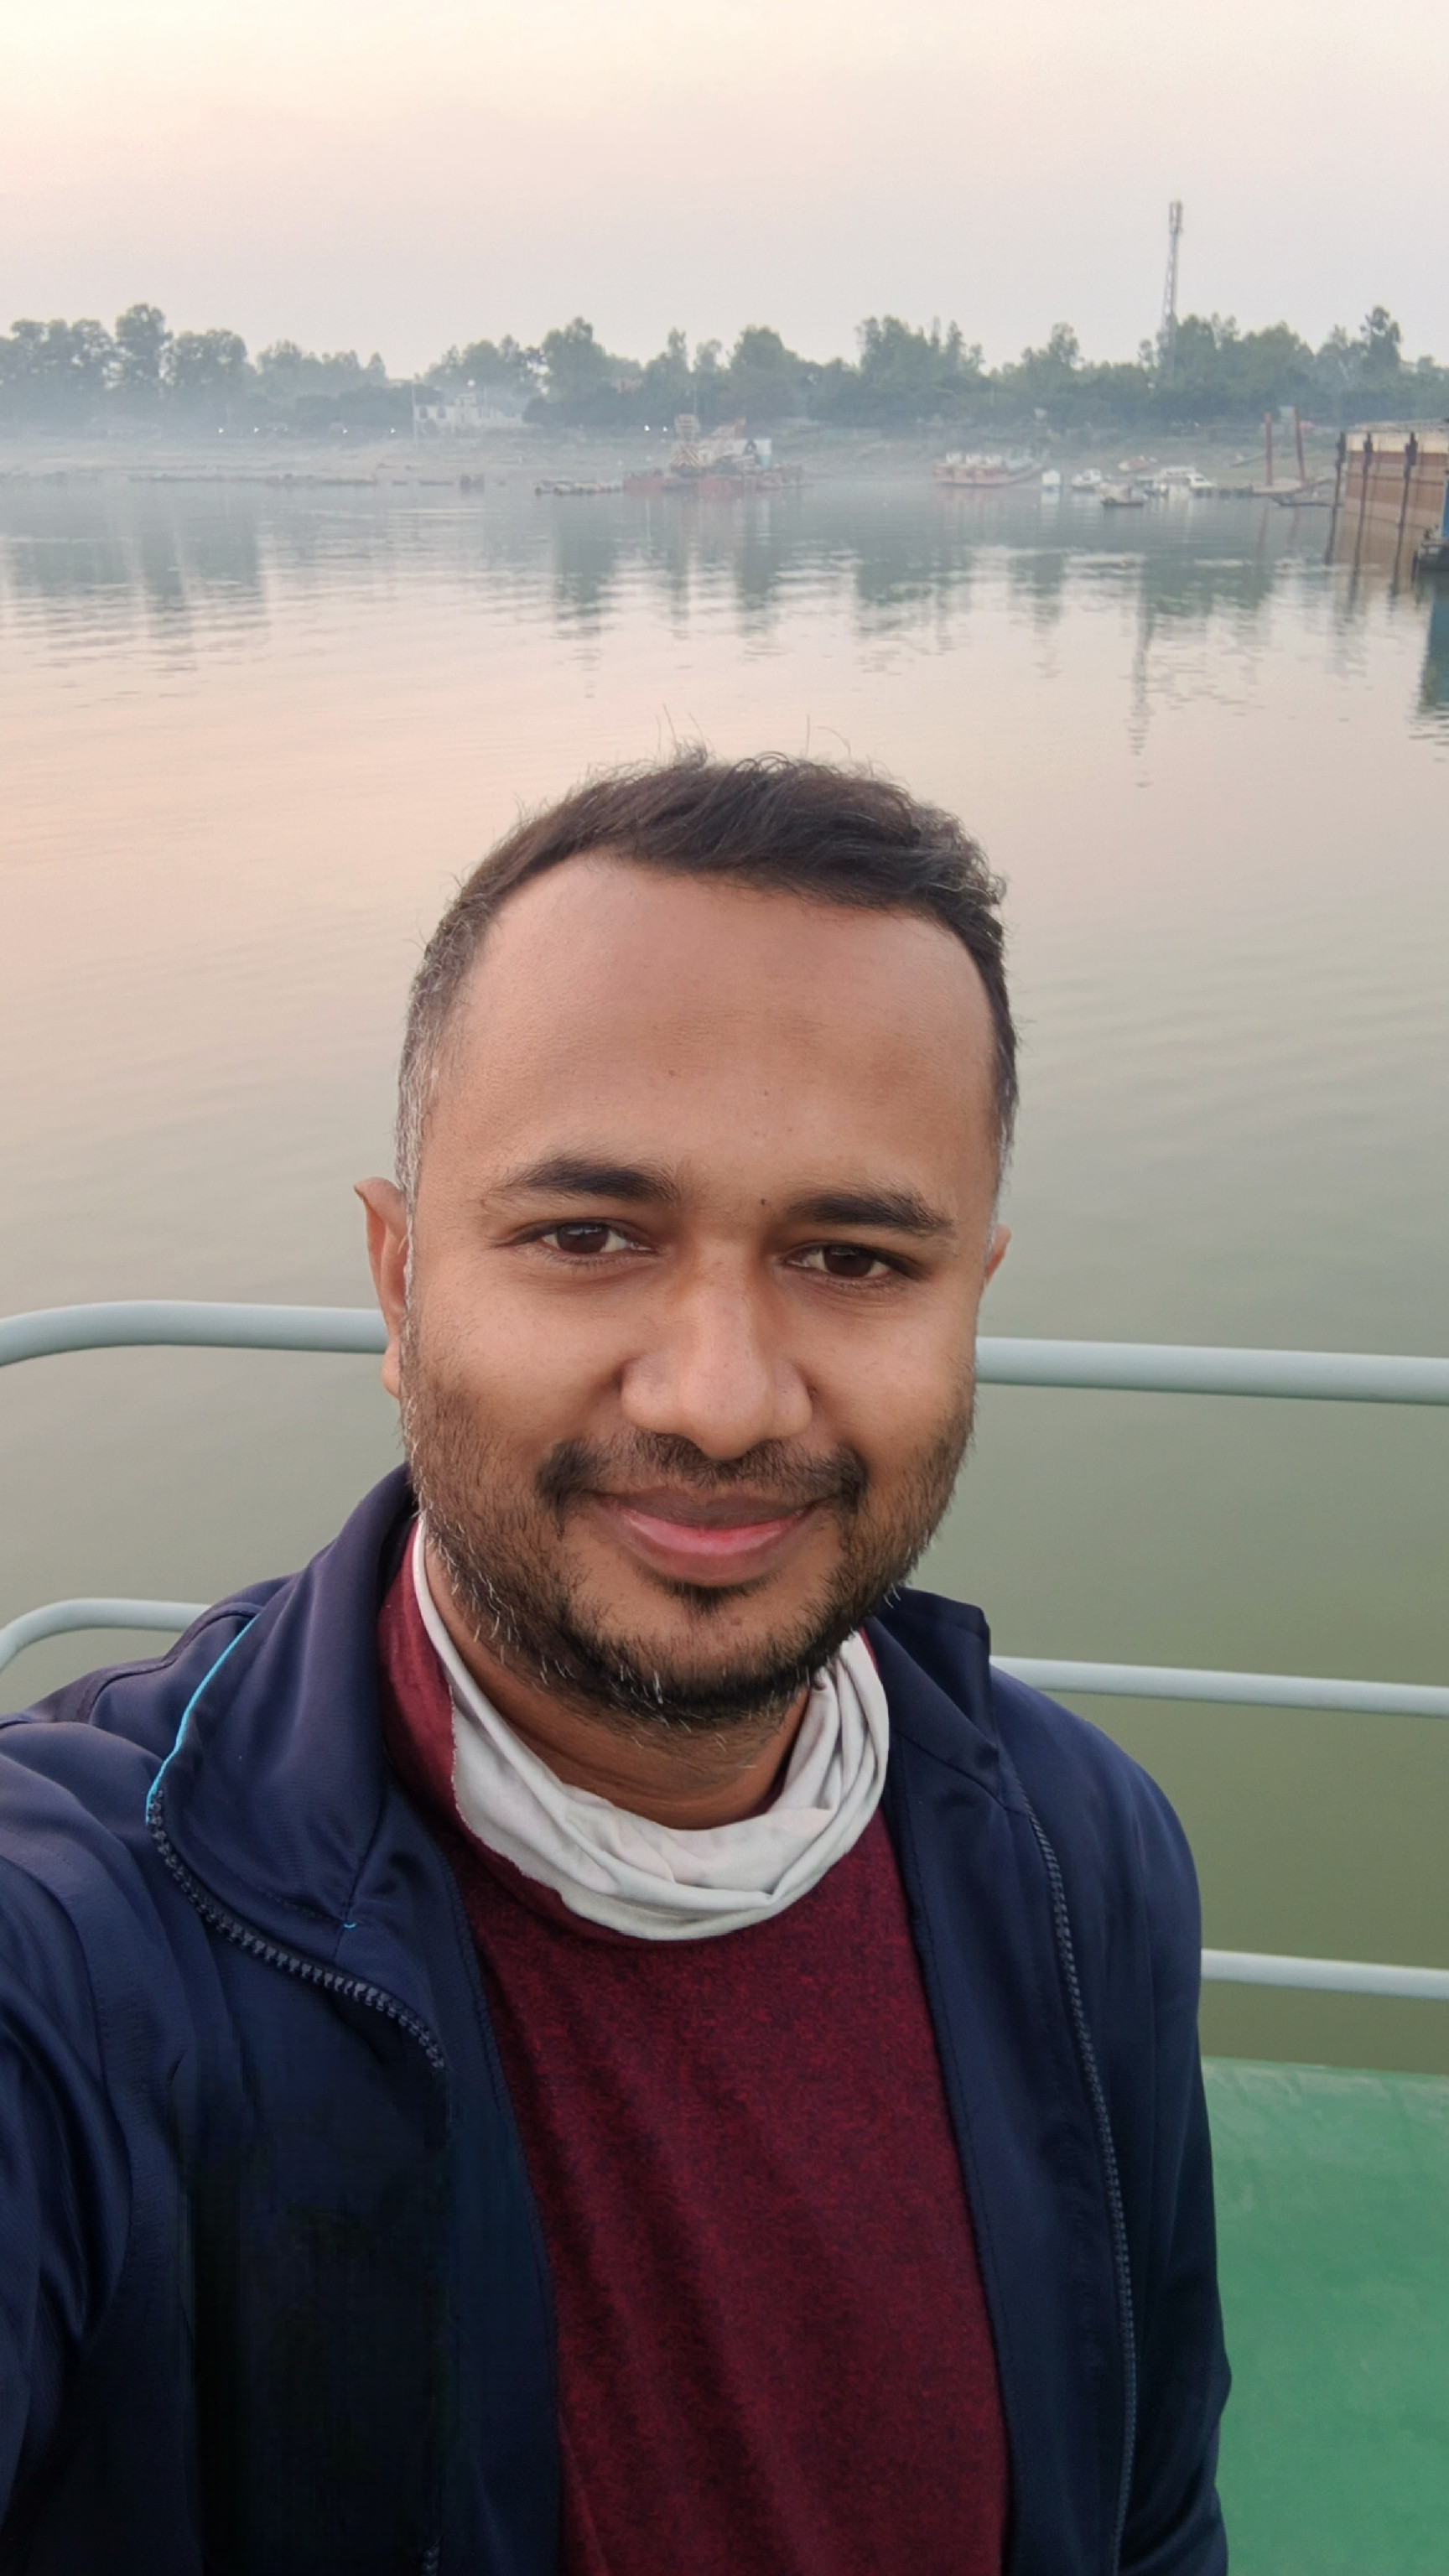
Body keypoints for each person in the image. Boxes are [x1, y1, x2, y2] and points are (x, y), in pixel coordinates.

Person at [0, 752, 1228, 2574]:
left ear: (972, 1295)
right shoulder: (93, 1940)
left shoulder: (1081, 1853)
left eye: (853, 1258)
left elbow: (1151, 2509)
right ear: (399, 1285)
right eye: (587, 1238)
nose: (719, 1398)